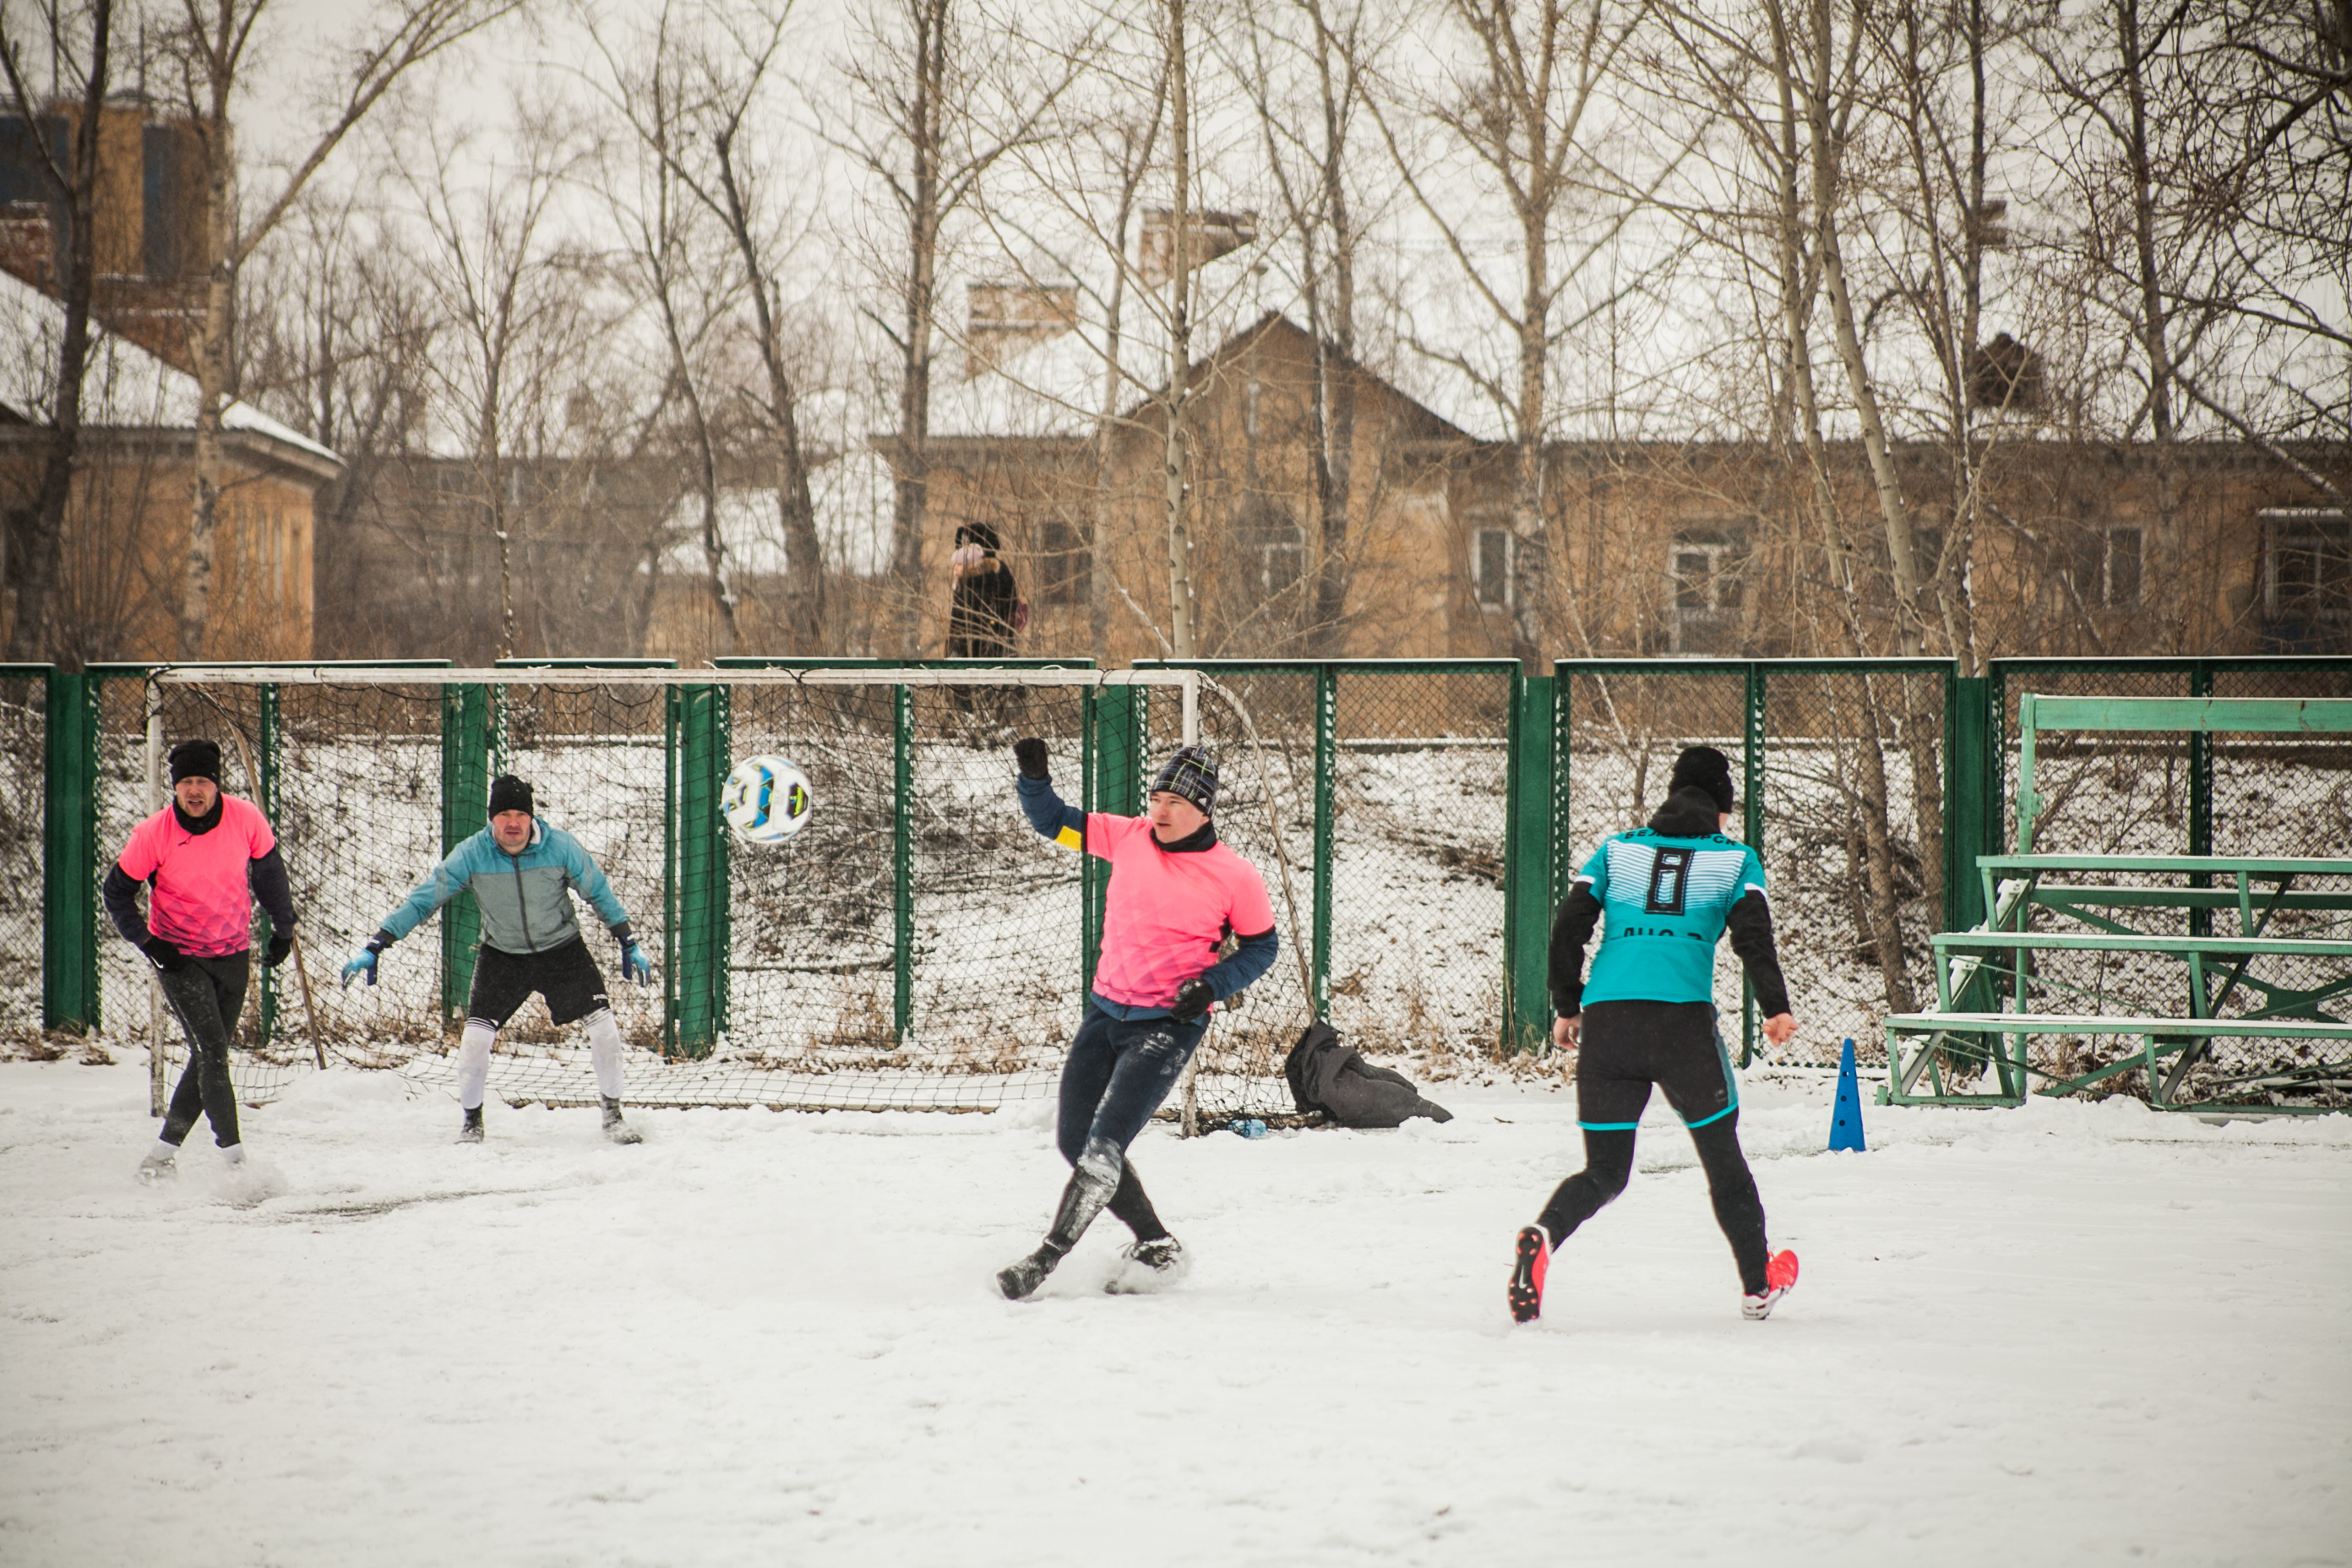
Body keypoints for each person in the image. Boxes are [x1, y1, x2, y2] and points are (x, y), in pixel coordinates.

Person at [1509, 745, 1802, 1325]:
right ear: (1723, 810)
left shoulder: (1617, 850)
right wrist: (1775, 1007)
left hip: (1609, 1023)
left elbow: (1570, 925)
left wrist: (1567, 1005)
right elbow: (1753, 936)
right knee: (1724, 1161)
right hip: (1681, 1027)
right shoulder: (1736, 858)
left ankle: (1543, 1234)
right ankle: (1756, 1284)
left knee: (1604, 1172)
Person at [997, 739, 1279, 1299]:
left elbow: (1261, 947)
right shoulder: (1124, 837)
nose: (1162, 809)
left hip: (1168, 1027)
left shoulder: (1235, 876)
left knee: (1103, 1148)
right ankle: (1156, 1245)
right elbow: (1053, 822)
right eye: (1157, 796)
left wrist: (1213, 985)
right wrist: (1034, 778)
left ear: (1205, 809)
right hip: (1104, 1013)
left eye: (1176, 800)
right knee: (1076, 1142)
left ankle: (1044, 1260)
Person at [341, 775, 654, 1146]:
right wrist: (377, 943)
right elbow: (425, 899)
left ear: (531, 818)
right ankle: (472, 1124)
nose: (512, 822)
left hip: (562, 950)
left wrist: (628, 940)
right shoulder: (472, 854)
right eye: (503, 814)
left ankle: (613, 1116)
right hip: (502, 956)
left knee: (604, 1030)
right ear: (492, 819)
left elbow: (598, 891)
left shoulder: (562, 848)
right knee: (474, 1040)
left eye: (520, 814)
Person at [105, 738, 300, 1182]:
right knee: (212, 1052)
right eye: (186, 782)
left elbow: (270, 875)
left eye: (203, 781)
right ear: (175, 787)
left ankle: (160, 1155)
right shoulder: (153, 833)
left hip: (233, 952)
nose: (195, 790)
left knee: (206, 1056)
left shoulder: (246, 818)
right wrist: (150, 943)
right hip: (179, 958)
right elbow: (116, 893)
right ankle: (236, 1164)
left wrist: (283, 928)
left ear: (217, 786)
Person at [946, 520, 1021, 659]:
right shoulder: (966, 581)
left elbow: (998, 612)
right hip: (986, 649)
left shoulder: (988, 576)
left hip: (990, 649)